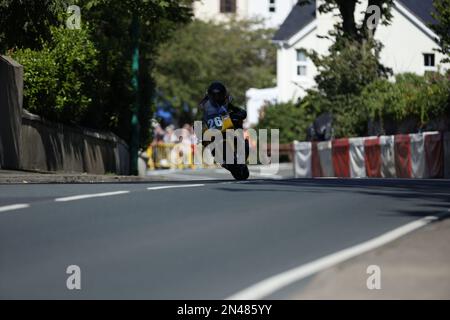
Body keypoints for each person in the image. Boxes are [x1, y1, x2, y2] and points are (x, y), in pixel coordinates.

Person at [199, 81, 249, 166]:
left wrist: (239, 114)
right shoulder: (205, 103)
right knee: (197, 126)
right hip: (213, 126)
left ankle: (240, 143)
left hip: (226, 123)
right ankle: (213, 149)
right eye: (214, 95)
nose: (217, 97)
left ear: (223, 94)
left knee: (237, 119)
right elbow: (202, 114)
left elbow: (239, 111)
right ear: (210, 95)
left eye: (219, 95)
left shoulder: (226, 101)